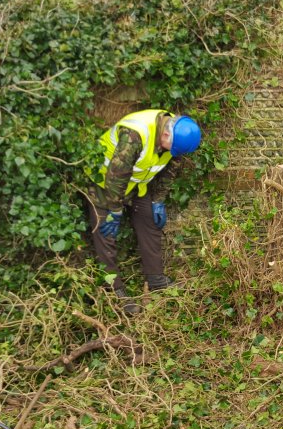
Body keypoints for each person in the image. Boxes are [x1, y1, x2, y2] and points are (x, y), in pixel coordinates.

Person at [84, 109, 202, 314]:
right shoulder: (135, 135)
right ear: (166, 134)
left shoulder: (177, 135)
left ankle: (156, 279)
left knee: (150, 220)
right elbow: (116, 175)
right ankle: (113, 291)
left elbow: (170, 170)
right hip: (104, 184)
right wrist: (115, 210)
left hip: (135, 185)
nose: (173, 154)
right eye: (172, 149)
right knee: (105, 232)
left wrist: (158, 200)